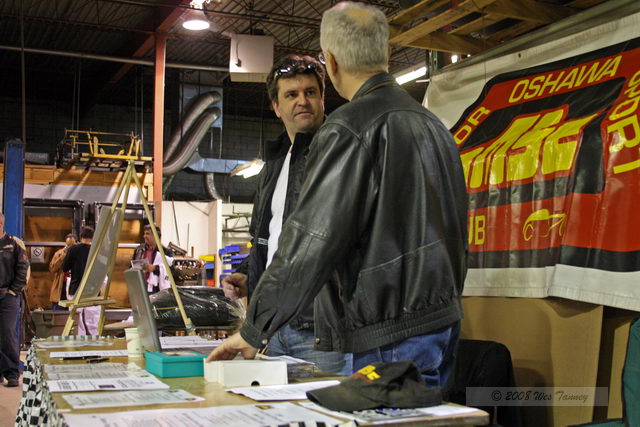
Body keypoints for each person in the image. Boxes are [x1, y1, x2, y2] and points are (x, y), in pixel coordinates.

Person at [208, 1, 468, 390]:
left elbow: (313, 239)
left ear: (330, 62)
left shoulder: (349, 127)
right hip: (441, 321)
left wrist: (254, 328)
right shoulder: (435, 126)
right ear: (386, 52)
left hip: (388, 332)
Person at [221, 54, 351, 376]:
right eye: (291, 94)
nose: (302, 101)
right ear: (276, 107)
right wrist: (248, 275)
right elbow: (268, 239)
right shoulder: (275, 164)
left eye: (310, 92)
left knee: (327, 406)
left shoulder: (339, 153)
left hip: (321, 329)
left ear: (323, 98)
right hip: (275, 329)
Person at [0, 212, 29, 387]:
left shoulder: (14, 244)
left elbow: (23, 268)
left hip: (7, 297)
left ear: (1, 223)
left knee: (8, 333)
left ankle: (11, 373)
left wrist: (13, 291)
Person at [62, 226, 100, 335]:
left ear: (80, 236)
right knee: (92, 323)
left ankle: (79, 343)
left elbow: (64, 268)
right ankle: (94, 343)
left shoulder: (73, 249)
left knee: (77, 321)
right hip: (93, 290)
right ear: (93, 237)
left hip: (76, 289)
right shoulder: (98, 250)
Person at [132, 224, 174, 295]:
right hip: (140, 286)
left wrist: (155, 268)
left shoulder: (166, 251)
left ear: (155, 236)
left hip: (157, 288)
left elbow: (172, 271)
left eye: (147, 234)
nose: (144, 236)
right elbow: (131, 267)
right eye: (144, 234)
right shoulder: (139, 250)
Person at [49, 233, 76, 310]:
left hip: (74, 284)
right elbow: (52, 269)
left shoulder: (78, 253)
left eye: (72, 245)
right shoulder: (59, 253)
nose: (70, 247)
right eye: (68, 245)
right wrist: (62, 256)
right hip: (62, 285)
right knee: (59, 309)